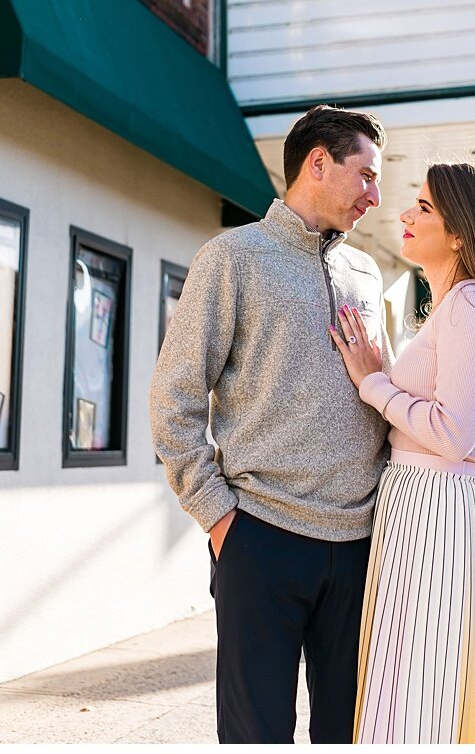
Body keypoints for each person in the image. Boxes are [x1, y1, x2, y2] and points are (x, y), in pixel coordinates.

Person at [149, 104, 391, 743]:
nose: (376, 194)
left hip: (361, 545)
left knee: (350, 733)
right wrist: (221, 518)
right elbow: (173, 399)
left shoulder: (366, 274)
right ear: (319, 163)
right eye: (365, 175)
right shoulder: (233, 258)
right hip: (263, 538)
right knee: (258, 735)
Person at [331, 162, 475, 743]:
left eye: (424, 207)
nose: (404, 214)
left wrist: (372, 383)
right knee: (431, 695)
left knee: (426, 699)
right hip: (429, 511)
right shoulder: (459, 306)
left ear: (461, 232)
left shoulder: (469, 305)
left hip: (438, 515)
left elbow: (454, 435)